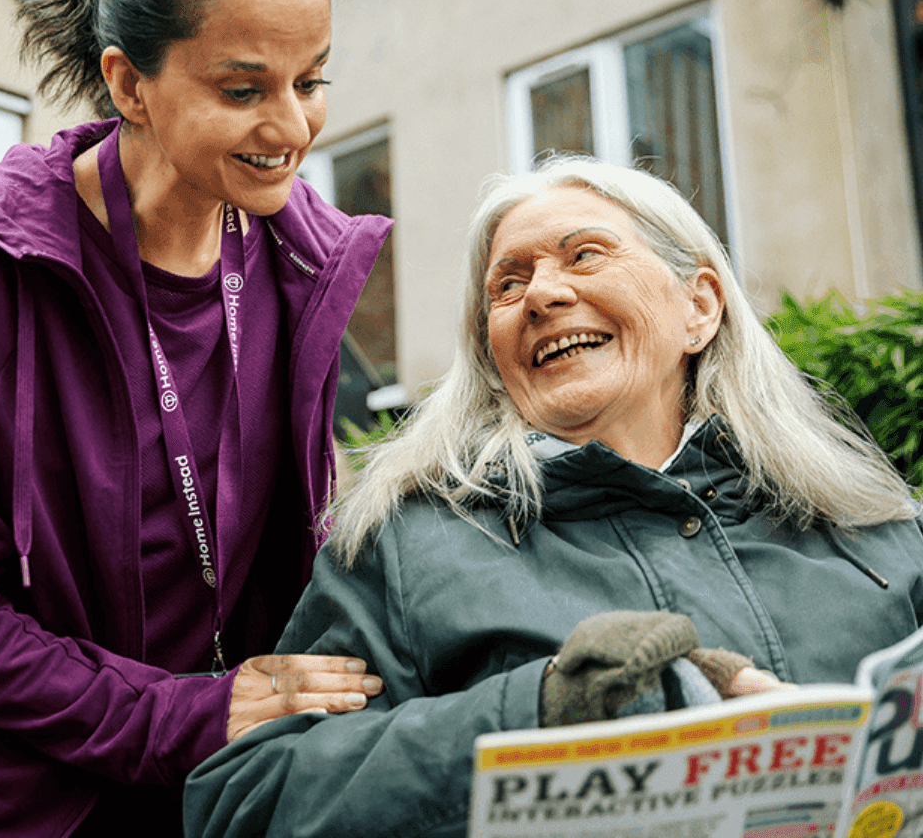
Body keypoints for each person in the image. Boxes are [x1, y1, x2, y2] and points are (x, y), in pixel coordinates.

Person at [0, 0, 391, 837]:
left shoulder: (301, 260)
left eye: (311, 82)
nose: (292, 127)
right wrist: (181, 714)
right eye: (242, 88)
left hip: (194, 789)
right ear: (128, 82)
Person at [183, 155, 923, 838]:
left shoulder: (869, 527)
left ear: (699, 306)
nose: (541, 294)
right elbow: (247, 799)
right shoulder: (409, 547)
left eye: (585, 255)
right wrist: (534, 711)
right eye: (507, 284)